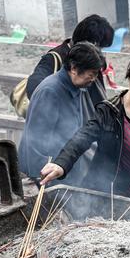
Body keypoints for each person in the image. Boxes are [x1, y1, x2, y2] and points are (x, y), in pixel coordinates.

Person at [38, 51, 130, 203]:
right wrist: (61, 164)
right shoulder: (109, 110)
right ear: (129, 76)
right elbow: (82, 138)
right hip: (116, 195)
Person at [18, 42, 106, 186]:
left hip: (65, 167)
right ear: (74, 68)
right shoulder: (50, 92)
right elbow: (35, 142)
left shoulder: (76, 86)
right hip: (48, 174)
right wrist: (43, 179)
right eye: (91, 74)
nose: (94, 79)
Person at [26, 14, 114, 106]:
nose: (100, 52)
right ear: (90, 44)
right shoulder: (55, 58)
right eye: (99, 47)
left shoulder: (92, 60)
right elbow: (34, 86)